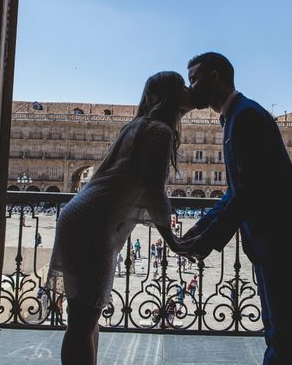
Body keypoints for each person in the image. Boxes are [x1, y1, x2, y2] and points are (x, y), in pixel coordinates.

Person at [180, 52, 292, 365]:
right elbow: (238, 189)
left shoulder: (245, 117)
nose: (191, 87)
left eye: (194, 79)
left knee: (283, 338)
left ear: (215, 77)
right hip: (277, 241)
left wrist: (207, 239)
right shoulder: (238, 115)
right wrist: (203, 226)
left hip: (283, 241)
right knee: (280, 333)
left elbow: (249, 190)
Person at [46, 71, 194, 365]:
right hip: (94, 224)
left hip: (83, 215)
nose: (190, 91)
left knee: (86, 319)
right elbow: (153, 191)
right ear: (172, 96)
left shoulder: (137, 125)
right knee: (81, 324)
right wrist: (173, 241)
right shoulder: (160, 132)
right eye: (184, 88)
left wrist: (195, 99)